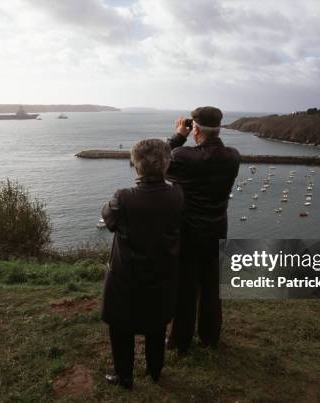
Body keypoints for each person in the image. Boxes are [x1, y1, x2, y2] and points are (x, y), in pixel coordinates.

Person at [101, 138, 184, 389]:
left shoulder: (123, 197)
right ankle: (155, 371)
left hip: (126, 276)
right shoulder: (177, 194)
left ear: (135, 167)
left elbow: (108, 219)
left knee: (120, 328)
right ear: (166, 165)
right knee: (157, 325)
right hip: (162, 274)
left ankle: (124, 376)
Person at [166, 106, 241, 353]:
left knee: (185, 289)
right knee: (212, 287)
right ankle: (210, 337)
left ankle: (180, 341)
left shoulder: (182, 156)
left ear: (195, 129)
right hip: (218, 228)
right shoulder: (233, 156)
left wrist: (179, 136)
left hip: (188, 232)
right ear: (219, 128)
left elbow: (158, 162)